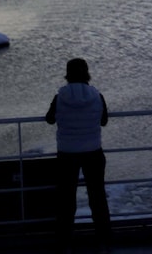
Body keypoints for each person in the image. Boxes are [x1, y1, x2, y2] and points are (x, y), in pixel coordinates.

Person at [46, 58, 111, 249]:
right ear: (87, 73)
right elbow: (104, 121)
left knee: (66, 198)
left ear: (67, 74)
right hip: (93, 152)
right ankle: (104, 237)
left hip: (67, 154)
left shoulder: (60, 97)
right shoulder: (97, 96)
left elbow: (50, 119)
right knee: (97, 196)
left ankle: (64, 238)